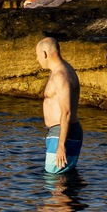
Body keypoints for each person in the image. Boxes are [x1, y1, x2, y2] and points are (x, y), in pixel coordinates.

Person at [36, 36, 82, 174]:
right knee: (62, 178)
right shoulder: (61, 71)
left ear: (44, 54)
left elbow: (66, 112)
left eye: (37, 55)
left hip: (62, 133)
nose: (37, 59)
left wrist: (61, 145)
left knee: (54, 179)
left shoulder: (61, 76)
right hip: (62, 133)